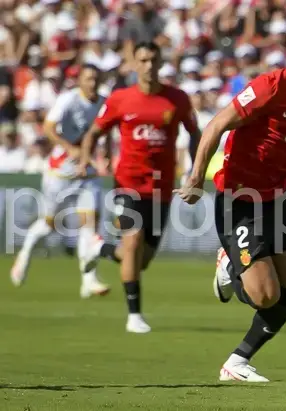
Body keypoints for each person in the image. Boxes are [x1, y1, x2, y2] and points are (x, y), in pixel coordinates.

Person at [174, 15, 286, 383]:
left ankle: (237, 361)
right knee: (265, 296)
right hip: (239, 195)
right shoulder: (270, 86)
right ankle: (230, 264)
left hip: (280, 193)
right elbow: (216, 124)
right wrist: (195, 177)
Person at [77, 42, 201, 333]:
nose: (148, 66)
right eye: (143, 60)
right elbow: (94, 132)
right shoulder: (121, 99)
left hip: (162, 188)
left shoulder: (177, 99)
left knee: (140, 260)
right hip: (128, 184)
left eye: (153, 60)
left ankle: (100, 248)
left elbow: (195, 134)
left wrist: (196, 172)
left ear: (160, 63)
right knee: (132, 244)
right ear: (134, 63)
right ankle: (134, 315)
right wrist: (86, 159)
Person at [10, 64, 110, 298]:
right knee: (49, 225)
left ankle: (89, 279)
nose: (92, 83)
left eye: (95, 79)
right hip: (60, 172)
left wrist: (104, 155)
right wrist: (69, 148)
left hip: (87, 171)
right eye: (88, 79)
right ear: (80, 82)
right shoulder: (68, 100)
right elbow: (48, 127)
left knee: (90, 224)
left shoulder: (104, 102)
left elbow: (105, 132)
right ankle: (24, 254)